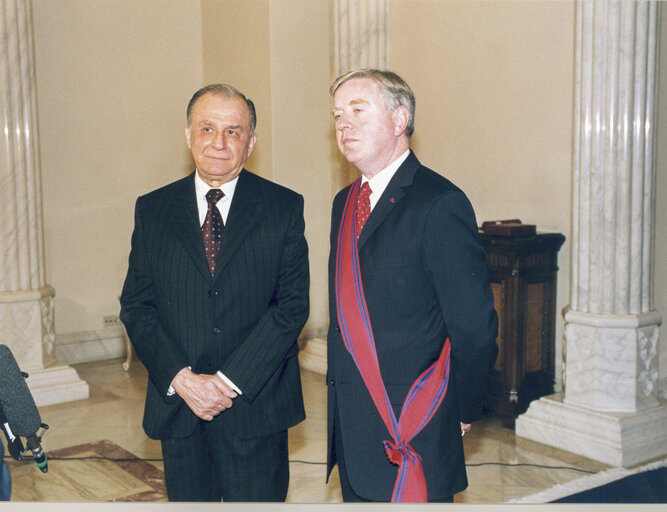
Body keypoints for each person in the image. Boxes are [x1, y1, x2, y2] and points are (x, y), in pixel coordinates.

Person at [120, 84, 309, 502]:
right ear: (188, 134)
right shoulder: (153, 209)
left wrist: (225, 382)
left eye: (233, 131)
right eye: (207, 128)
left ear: (251, 141)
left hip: (255, 407)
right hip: (180, 408)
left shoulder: (283, 207)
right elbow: (137, 305)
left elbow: (291, 306)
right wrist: (182, 379)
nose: (218, 143)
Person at [326, 69, 498, 503]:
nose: (343, 123)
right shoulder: (344, 204)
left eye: (357, 110)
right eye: (337, 115)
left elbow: (474, 327)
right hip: (351, 428)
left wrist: (463, 407)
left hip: (412, 423)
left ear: (400, 119)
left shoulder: (440, 202)